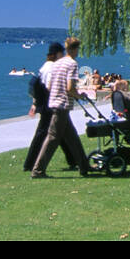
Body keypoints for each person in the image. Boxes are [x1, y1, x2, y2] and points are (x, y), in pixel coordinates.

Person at [31, 37, 91, 178]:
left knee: (72, 138)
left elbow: (50, 85)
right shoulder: (72, 64)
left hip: (53, 102)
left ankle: (84, 166)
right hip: (63, 105)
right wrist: (80, 96)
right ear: (75, 49)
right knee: (52, 137)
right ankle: (37, 170)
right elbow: (70, 87)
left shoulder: (57, 63)